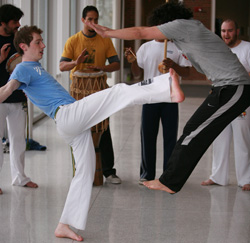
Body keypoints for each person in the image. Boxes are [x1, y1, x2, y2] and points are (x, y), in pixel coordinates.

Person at [0, 25, 184, 241]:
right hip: (68, 115)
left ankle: (64, 224)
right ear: (23, 46)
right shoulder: (22, 69)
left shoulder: (35, 67)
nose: (43, 45)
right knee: (118, 91)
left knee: (85, 173)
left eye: (42, 41)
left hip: (71, 121)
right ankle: (166, 87)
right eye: (37, 42)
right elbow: (6, 89)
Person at [87, 1, 250, 194]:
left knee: (196, 133)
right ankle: (169, 180)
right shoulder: (189, 35)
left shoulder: (182, 26)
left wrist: (108, 33)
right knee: (192, 130)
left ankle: (170, 181)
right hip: (223, 88)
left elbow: (141, 32)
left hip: (234, 87)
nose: (160, 32)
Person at [125, 9, 192, 185]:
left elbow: (188, 71)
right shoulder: (145, 47)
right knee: (147, 136)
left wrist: (173, 65)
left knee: (170, 138)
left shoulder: (177, 47)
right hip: (150, 97)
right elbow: (137, 74)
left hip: (170, 97)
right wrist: (132, 63)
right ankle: (146, 174)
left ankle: (168, 176)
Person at [60, 5, 121, 184]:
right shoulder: (73, 41)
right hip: (79, 90)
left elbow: (116, 64)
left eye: (96, 20)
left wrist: (102, 68)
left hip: (98, 87)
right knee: (81, 130)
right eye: (89, 20)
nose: (93, 23)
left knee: (103, 127)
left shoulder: (104, 40)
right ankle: (81, 170)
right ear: (83, 20)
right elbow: (61, 66)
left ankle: (109, 171)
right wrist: (76, 62)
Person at [201, 19, 250, 191]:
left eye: (229, 31)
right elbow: (210, 75)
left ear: (237, 31)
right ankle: (218, 177)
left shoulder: (247, 48)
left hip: (241, 100)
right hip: (220, 99)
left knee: (242, 138)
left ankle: (245, 179)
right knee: (219, 137)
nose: (226, 34)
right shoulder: (218, 49)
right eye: (223, 31)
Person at [0, 4, 38, 195]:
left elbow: (29, 65)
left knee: (18, 141)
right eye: (15, 22)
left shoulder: (19, 41)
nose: (18, 25)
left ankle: (20, 178)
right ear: (3, 23)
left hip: (18, 98)